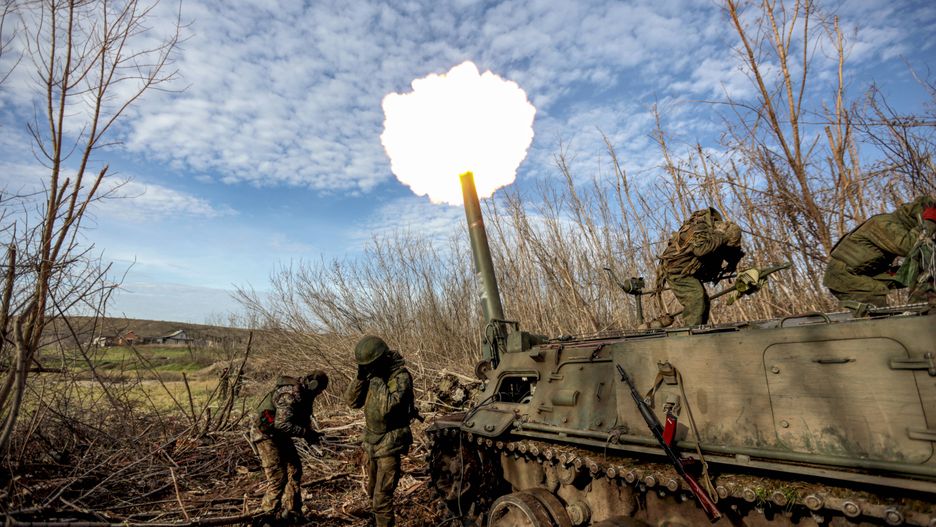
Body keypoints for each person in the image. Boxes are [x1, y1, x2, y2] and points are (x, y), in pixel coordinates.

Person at [345, 336, 416, 527]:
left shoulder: (400, 377)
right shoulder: (372, 374)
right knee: (372, 490)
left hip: (390, 443)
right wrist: (361, 377)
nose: (368, 369)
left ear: (382, 359)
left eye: (370, 365)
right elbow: (352, 402)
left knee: (382, 497)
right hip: (372, 441)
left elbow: (387, 409)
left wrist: (376, 379)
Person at [824, 195, 936, 309]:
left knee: (920, 271)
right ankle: (915, 319)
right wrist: (930, 223)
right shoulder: (883, 224)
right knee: (877, 307)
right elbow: (909, 247)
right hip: (844, 276)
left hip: (869, 272)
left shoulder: (901, 227)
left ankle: (923, 310)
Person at [250, 371, 328, 525]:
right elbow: (282, 424)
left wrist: (312, 437)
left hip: (279, 434)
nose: (320, 393)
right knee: (278, 478)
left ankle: (292, 512)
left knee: (295, 469)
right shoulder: (289, 395)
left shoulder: (305, 395)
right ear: (313, 386)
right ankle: (266, 516)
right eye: (320, 390)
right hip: (265, 436)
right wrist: (306, 433)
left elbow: (301, 421)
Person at [656, 207, 745, 325]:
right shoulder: (701, 228)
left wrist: (736, 261)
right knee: (696, 297)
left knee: (704, 301)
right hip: (676, 270)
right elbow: (700, 250)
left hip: (687, 271)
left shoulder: (715, 234)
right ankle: (692, 337)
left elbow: (727, 252)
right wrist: (722, 236)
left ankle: (700, 331)